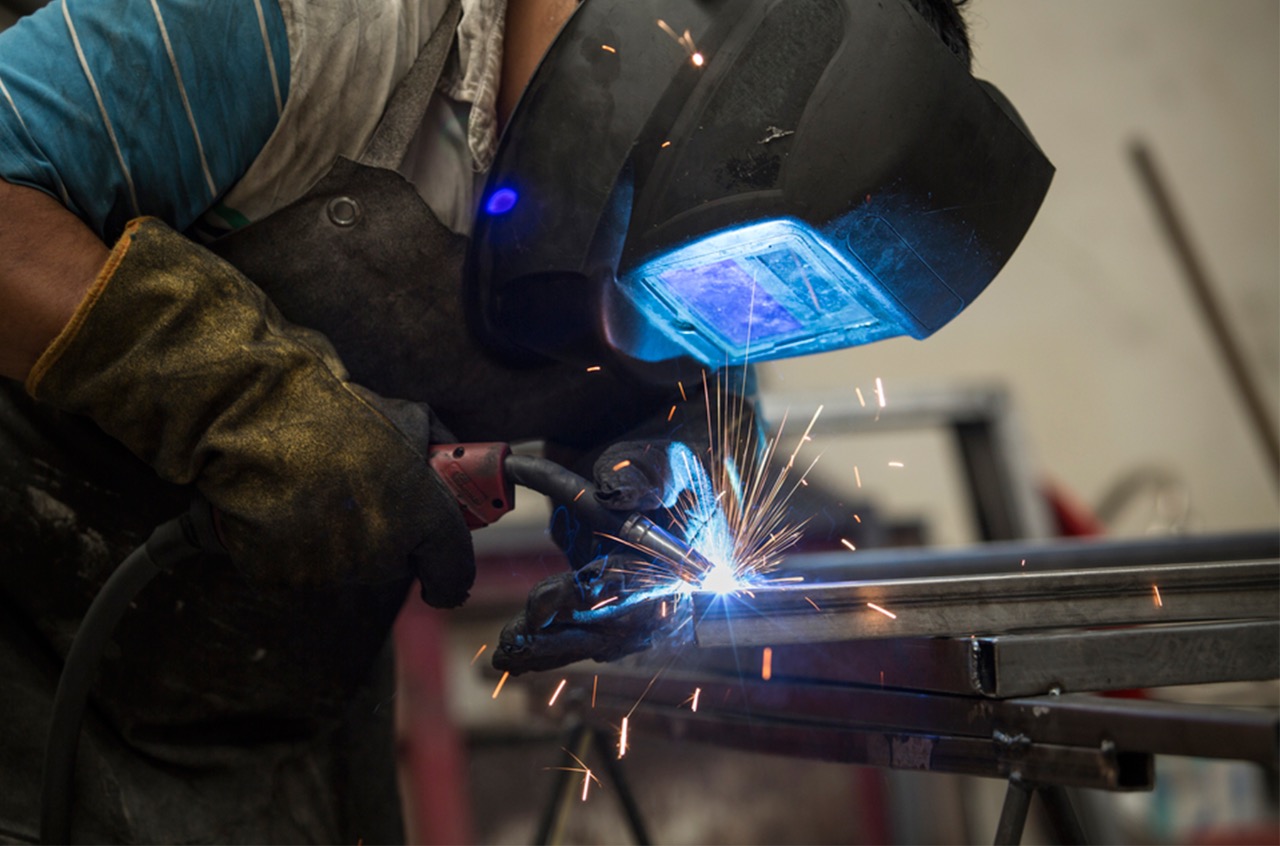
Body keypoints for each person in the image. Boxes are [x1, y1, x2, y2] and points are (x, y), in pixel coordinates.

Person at [0, 0, 1030, 842]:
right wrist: (244, 404)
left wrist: (675, 482)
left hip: (272, 699)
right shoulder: (319, 27)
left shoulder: (708, 175)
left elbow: (691, 393)